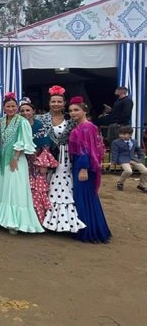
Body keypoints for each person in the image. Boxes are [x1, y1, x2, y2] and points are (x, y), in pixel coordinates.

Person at [0, 93, 44, 234]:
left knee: (15, 189)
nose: (11, 108)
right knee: (3, 188)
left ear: (17, 108)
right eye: (8, 106)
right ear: (4, 108)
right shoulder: (0, 121)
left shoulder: (22, 122)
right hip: (2, 160)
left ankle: (15, 222)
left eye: (13, 106)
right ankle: (0, 218)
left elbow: (24, 141)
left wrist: (15, 157)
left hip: (15, 160)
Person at [39, 85, 84, 233]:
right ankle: (45, 219)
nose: (56, 104)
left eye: (59, 101)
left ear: (64, 103)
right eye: (53, 101)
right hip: (45, 157)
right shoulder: (42, 119)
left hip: (65, 158)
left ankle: (63, 222)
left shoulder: (71, 120)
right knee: (44, 184)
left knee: (61, 184)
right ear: (49, 103)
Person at [67, 96, 111, 243]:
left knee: (85, 198)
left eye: (76, 110)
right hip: (80, 164)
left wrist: (84, 168)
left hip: (83, 165)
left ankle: (89, 231)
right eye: (71, 111)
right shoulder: (80, 126)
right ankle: (91, 229)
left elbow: (86, 149)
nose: (73, 113)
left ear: (84, 110)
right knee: (85, 197)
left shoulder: (86, 127)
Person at [19, 98, 52, 225]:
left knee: (37, 192)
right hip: (21, 162)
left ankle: (37, 221)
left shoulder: (39, 125)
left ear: (33, 112)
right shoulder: (17, 125)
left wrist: (43, 163)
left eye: (28, 110)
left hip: (36, 163)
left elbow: (45, 146)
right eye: (22, 111)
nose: (25, 113)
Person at [111, 125, 147, 193]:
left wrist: (141, 159)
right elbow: (115, 152)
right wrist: (114, 161)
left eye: (124, 134)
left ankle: (141, 185)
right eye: (120, 134)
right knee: (128, 171)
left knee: (145, 171)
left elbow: (139, 150)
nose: (121, 135)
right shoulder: (116, 142)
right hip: (123, 159)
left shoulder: (134, 142)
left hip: (133, 158)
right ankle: (120, 183)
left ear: (130, 134)